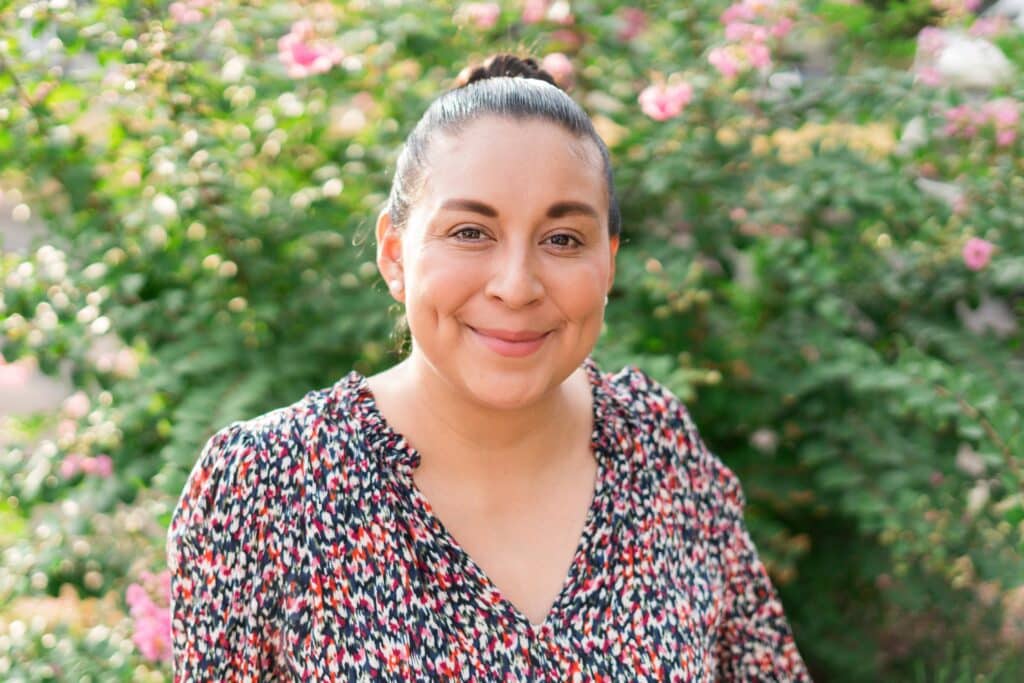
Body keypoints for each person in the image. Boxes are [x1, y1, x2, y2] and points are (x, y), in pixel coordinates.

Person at [168, 54, 811, 681]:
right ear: (395, 254)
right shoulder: (267, 485)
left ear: (608, 263)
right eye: (470, 232)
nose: (516, 286)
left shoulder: (661, 451)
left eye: (562, 240)